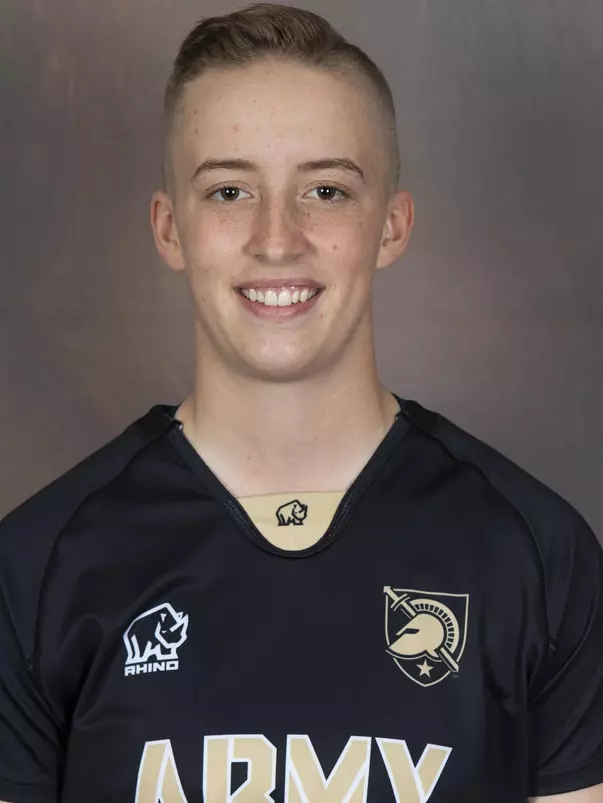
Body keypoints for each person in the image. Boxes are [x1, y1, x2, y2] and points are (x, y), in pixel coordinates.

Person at [1, 3, 602, 801]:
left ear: (391, 226)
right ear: (169, 227)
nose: (276, 238)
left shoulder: (536, 553)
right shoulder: (39, 566)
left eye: (324, 189)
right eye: (226, 192)